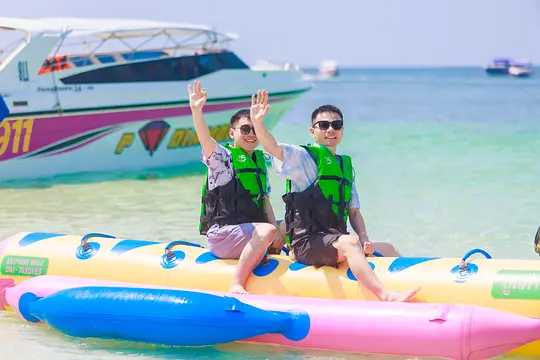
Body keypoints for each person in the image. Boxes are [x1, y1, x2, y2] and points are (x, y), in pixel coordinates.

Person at [250, 91, 419, 301]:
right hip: (308, 243)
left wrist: (365, 238)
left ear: (342, 131)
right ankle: (385, 296)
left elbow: (354, 212)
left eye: (336, 125)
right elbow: (272, 147)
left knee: (388, 248)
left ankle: (416, 291)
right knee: (349, 243)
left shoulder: (344, 166)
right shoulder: (303, 158)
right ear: (312, 131)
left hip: (334, 240)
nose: (331, 129)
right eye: (323, 125)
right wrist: (258, 122)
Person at [188, 80, 282, 294]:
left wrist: (278, 234)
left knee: (287, 226)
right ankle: (237, 282)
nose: (251, 135)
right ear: (232, 133)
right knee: (268, 229)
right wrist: (196, 111)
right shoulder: (224, 159)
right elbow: (205, 140)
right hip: (223, 235)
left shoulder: (259, 161)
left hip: (252, 233)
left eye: (255, 130)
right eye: (245, 129)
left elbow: (265, 201)